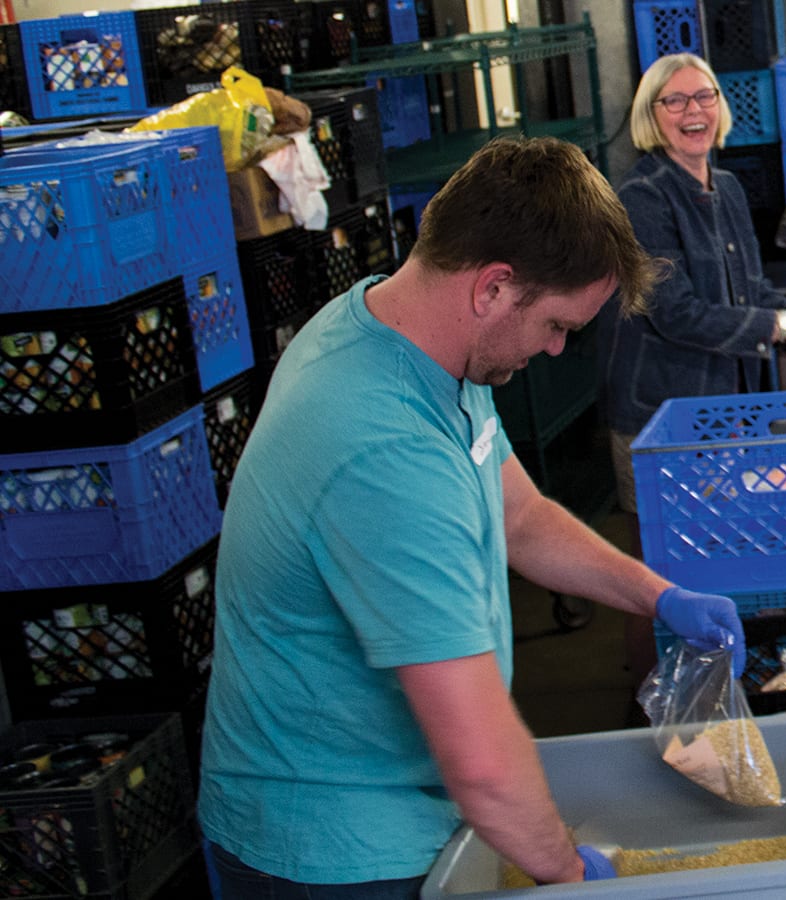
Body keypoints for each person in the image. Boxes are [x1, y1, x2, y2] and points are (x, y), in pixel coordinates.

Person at [199, 136, 748, 896]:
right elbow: (483, 765)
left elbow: (518, 514)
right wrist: (563, 869)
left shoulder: (420, 339)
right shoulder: (382, 449)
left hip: (412, 802)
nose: (557, 350)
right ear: (493, 288)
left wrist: (655, 596)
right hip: (335, 849)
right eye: (557, 326)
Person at [599, 54, 786, 672]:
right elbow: (677, 313)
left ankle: (719, 684)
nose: (694, 113)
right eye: (676, 101)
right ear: (650, 116)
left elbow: (747, 293)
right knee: (656, 575)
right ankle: (650, 706)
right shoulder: (641, 198)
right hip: (660, 415)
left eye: (704, 97)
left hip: (725, 411)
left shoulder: (729, 185)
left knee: (718, 554)